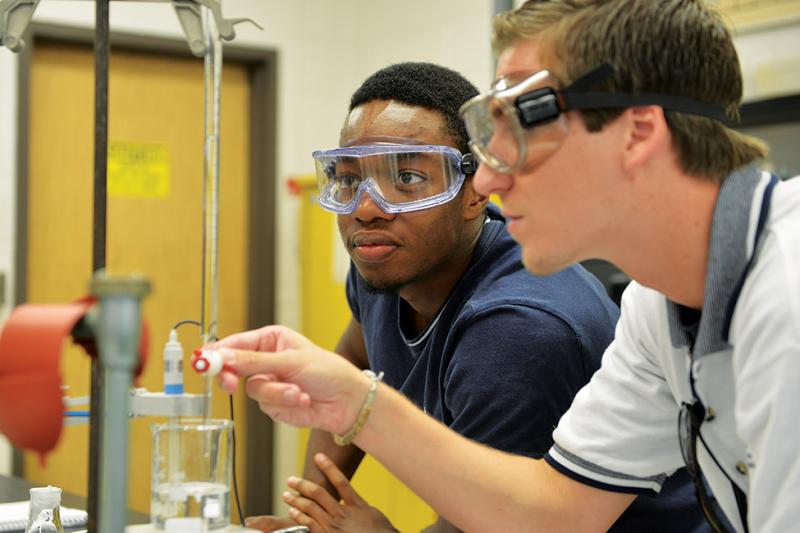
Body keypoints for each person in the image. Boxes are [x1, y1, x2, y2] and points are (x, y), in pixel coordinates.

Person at [216, 1, 800, 530]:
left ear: (636, 132)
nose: (489, 180)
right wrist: (353, 402)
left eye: (520, 127)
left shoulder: (787, 295)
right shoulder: (658, 307)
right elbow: (555, 514)